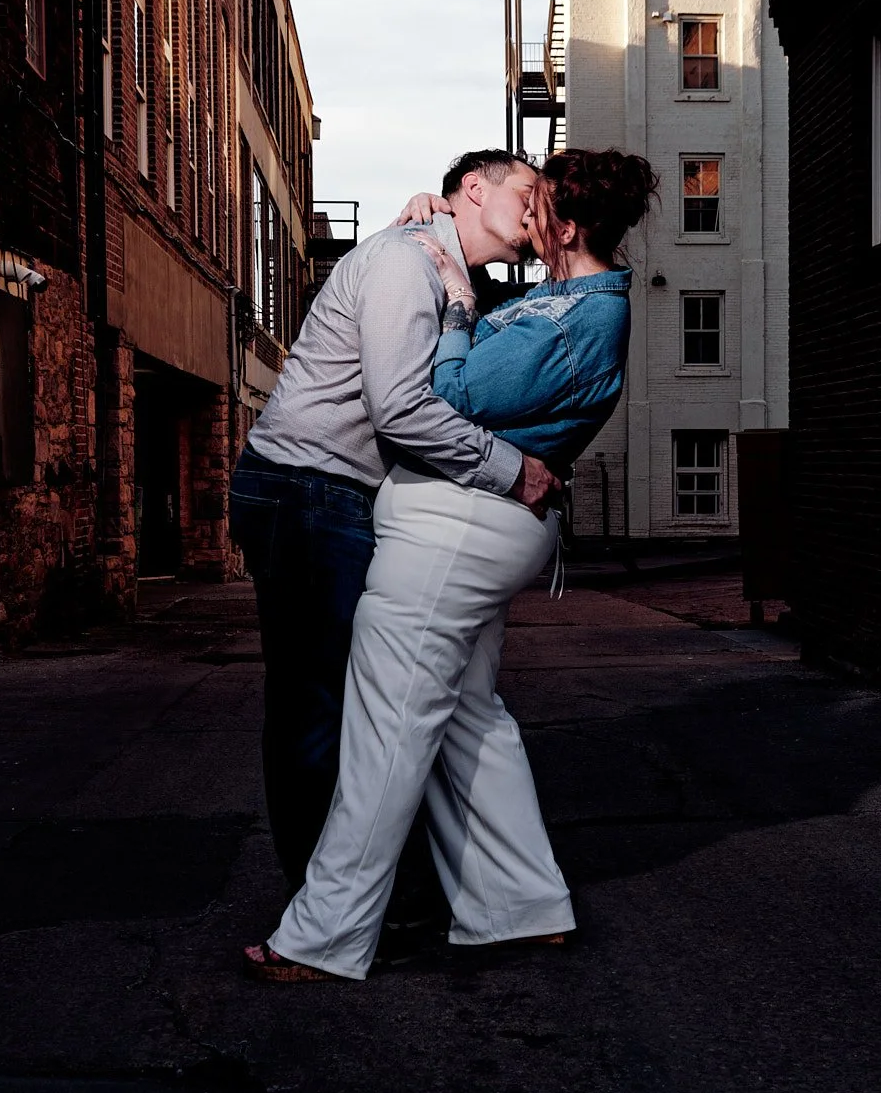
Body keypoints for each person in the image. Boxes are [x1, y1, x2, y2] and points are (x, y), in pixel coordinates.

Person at [245, 147, 660, 983]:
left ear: (565, 224)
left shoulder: (573, 315)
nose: (528, 216)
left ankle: (324, 936)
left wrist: (459, 296)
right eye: (523, 196)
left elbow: (447, 399)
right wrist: (435, 223)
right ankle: (519, 903)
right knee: (467, 718)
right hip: (433, 518)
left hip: (458, 530)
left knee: (384, 728)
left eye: (540, 202)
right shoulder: (548, 297)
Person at [228, 150, 559, 915]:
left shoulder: (447, 272)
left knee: (356, 701)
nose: (537, 213)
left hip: (332, 494)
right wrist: (512, 471)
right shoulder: (405, 262)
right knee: (322, 704)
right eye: (527, 195)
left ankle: (347, 897)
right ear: (473, 190)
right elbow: (403, 411)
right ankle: (324, 906)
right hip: (305, 493)